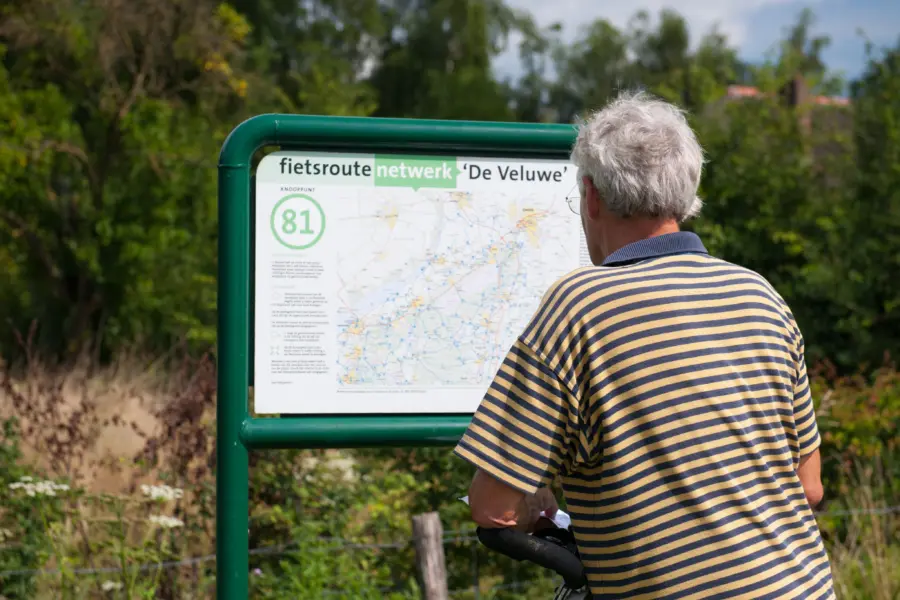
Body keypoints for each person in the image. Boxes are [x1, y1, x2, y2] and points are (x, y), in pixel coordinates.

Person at [455, 90, 835, 599]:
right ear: (686, 192)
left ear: (591, 197)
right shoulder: (759, 293)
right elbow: (809, 486)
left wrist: (535, 506)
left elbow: (492, 508)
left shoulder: (578, 307)